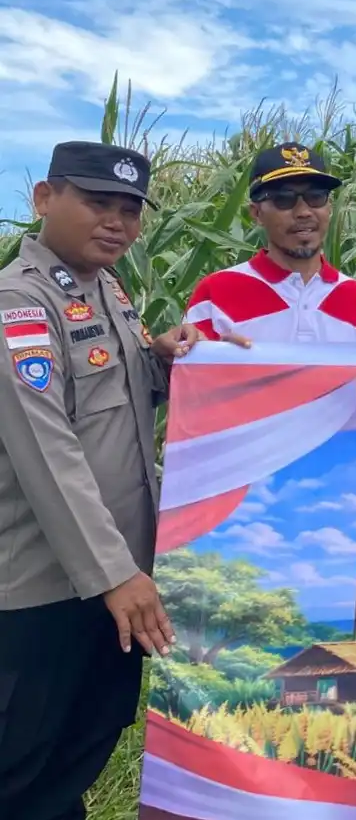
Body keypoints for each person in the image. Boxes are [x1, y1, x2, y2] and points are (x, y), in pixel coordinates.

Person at [0, 142, 244, 820]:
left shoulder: (107, 291)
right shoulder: (19, 304)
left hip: (116, 580)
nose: (117, 222)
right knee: (19, 765)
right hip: (49, 589)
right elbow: (46, 450)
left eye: (130, 209)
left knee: (81, 748)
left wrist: (168, 363)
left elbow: (120, 411)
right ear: (45, 198)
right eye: (97, 202)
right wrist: (117, 574)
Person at [182, 143, 356, 342]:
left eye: (316, 197)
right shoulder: (215, 294)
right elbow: (190, 369)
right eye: (284, 199)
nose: (304, 212)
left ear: (329, 208)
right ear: (257, 213)